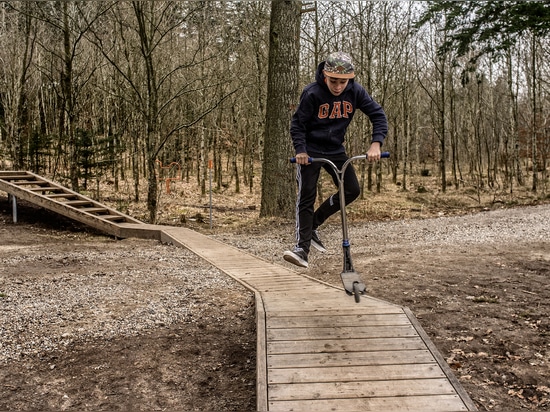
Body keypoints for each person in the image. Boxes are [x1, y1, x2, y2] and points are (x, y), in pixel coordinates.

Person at [283, 51, 388, 268]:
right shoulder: (312, 93)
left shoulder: (356, 91)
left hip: (336, 149)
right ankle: (302, 249)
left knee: (351, 190)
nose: (338, 87)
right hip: (311, 151)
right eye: (333, 81)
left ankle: (314, 224)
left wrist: (376, 143)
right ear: (324, 75)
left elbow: (377, 114)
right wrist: (301, 151)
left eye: (343, 82)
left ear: (349, 79)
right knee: (306, 195)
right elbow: (298, 125)